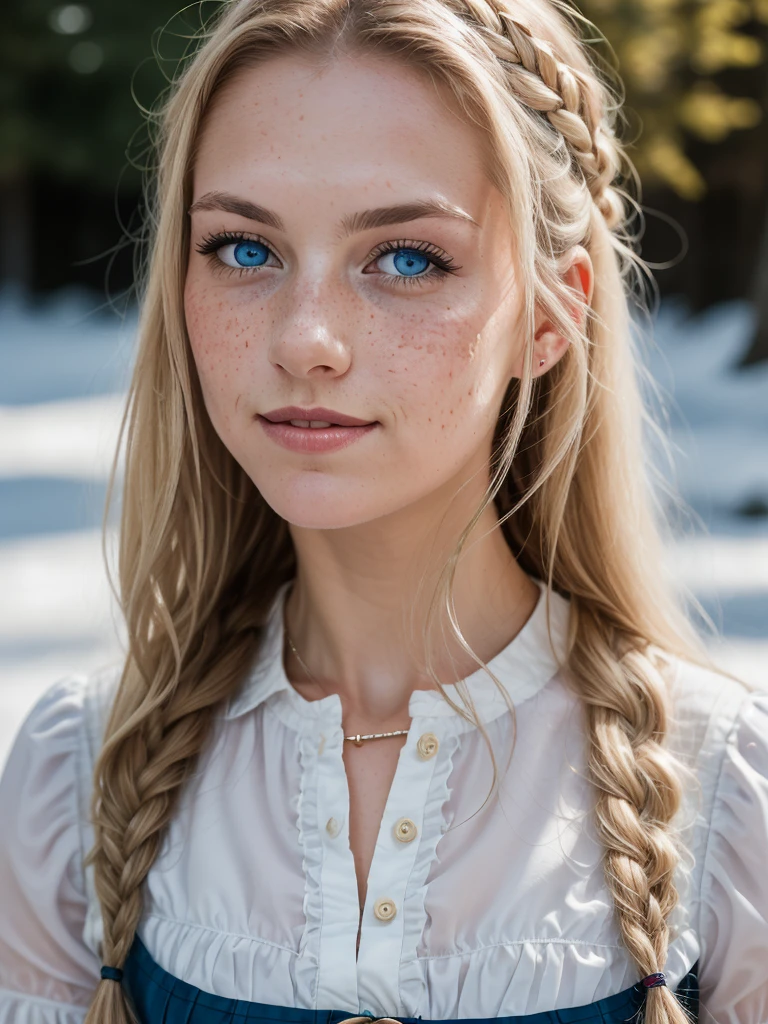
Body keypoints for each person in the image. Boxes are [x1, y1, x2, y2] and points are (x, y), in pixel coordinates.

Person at [1, 0, 767, 1022]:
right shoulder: (76, 779)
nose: (306, 337)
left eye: (407, 257)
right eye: (242, 249)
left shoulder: (722, 800)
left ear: (550, 316)